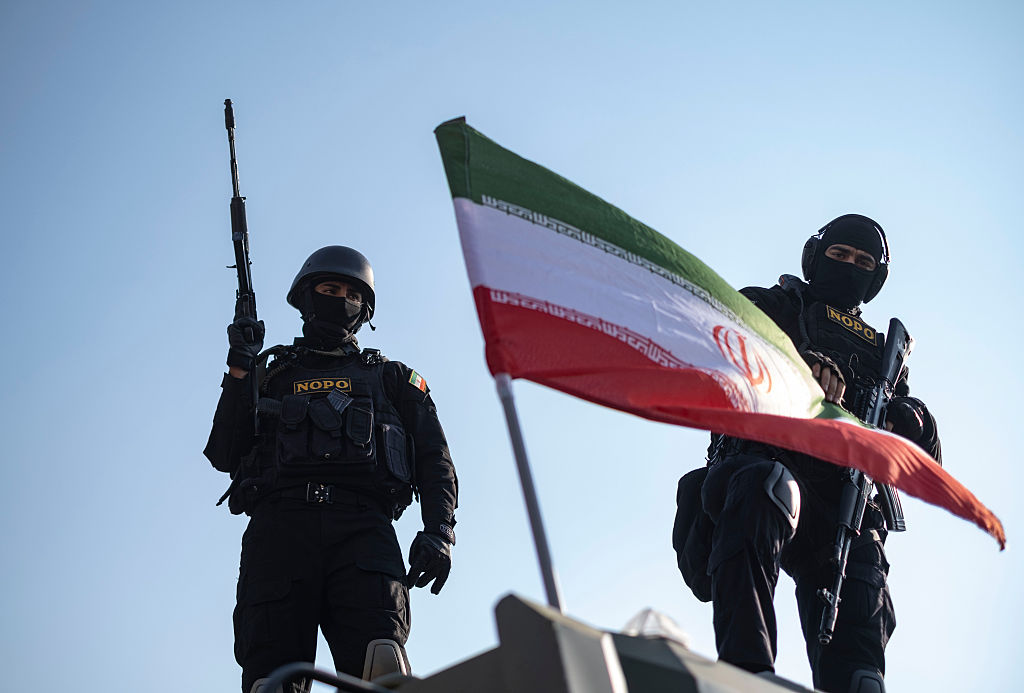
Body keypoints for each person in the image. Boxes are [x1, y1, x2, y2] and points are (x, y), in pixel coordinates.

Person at [673, 215, 941, 693]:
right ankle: (747, 671)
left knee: (861, 638)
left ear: (875, 279)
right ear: (815, 258)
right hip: (766, 468)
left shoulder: (885, 358)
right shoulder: (771, 304)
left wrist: (910, 418)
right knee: (766, 489)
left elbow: (927, 459)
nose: (850, 266)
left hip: (845, 502)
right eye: (840, 255)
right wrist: (795, 362)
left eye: (863, 262)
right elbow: (721, 338)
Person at [204, 246, 459, 693]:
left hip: (363, 533)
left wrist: (440, 530)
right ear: (307, 297)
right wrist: (240, 368)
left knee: (382, 667)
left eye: (353, 295)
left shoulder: (394, 379)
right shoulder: (270, 375)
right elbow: (225, 454)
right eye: (330, 289)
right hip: (279, 536)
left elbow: (434, 459)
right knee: (271, 679)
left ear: (365, 311)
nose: (342, 300)